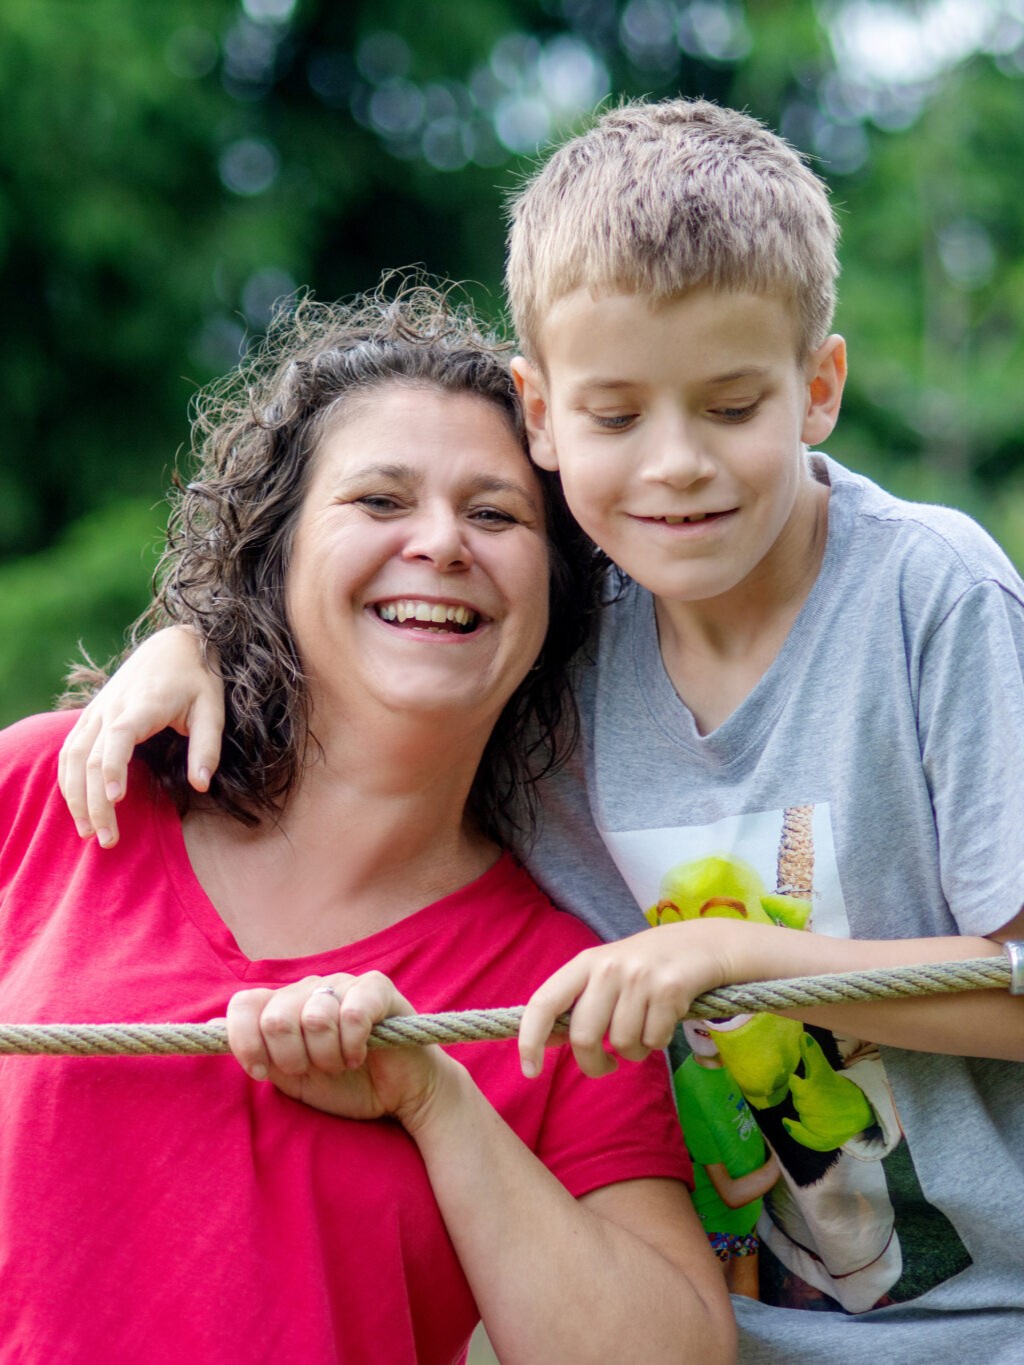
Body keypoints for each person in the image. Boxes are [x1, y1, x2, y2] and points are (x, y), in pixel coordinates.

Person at [58, 99, 1024, 1358]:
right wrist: (190, 646)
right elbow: (380, 641)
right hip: (734, 1327)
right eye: (617, 419)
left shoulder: (929, 596)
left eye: (731, 407)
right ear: (544, 412)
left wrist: (730, 960)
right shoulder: (562, 633)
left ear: (818, 386)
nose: (674, 466)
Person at [0, 283, 737, 1364]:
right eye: (380, 501)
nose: (440, 544)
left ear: (557, 595)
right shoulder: (53, 791)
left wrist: (430, 1098)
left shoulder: (561, 983)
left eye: (495, 515)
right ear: (279, 555)